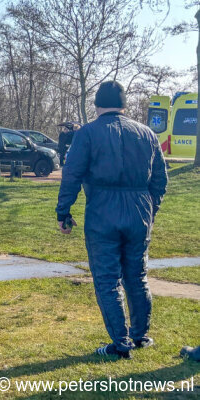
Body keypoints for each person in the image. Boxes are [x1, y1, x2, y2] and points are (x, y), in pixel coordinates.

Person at [56, 81, 168, 361]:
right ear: (124, 104)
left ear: (97, 105)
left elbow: (72, 174)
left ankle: (121, 343)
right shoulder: (146, 134)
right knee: (137, 275)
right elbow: (160, 180)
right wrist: (150, 210)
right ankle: (140, 335)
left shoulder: (88, 134)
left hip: (103, 211)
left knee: (107, 279)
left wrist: (64, 212)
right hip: (139, 210)